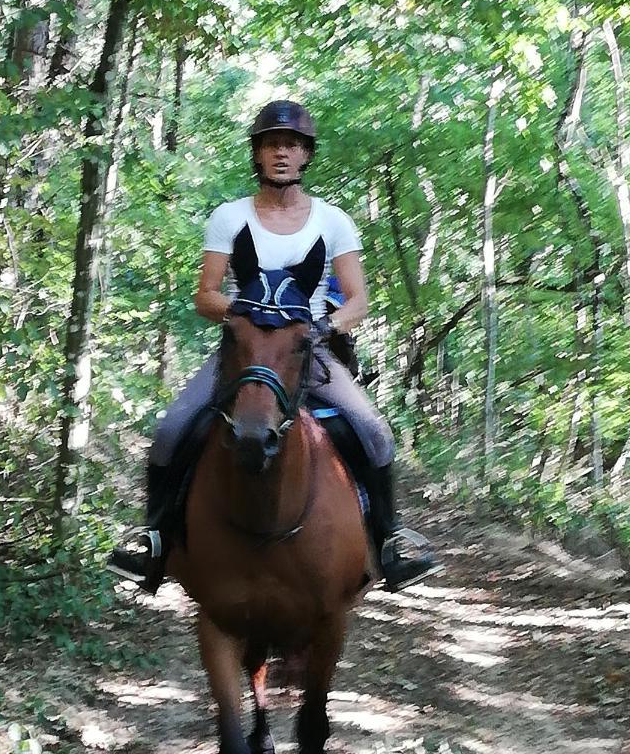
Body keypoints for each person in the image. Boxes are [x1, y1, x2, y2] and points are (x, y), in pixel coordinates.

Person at [109, 100, 438, 593]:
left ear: (306, 156)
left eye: (292, 145)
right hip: (243, 353)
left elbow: (358, 299)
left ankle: (390, 543)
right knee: (173, 428)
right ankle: (152, 541)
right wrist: (244, 318)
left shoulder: (333, 221)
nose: (281, 153)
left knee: (373, 431)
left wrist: (322, 327)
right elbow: (206, 293)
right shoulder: (229, 217)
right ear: (257, 155)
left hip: (309, 350)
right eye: (271, 145)